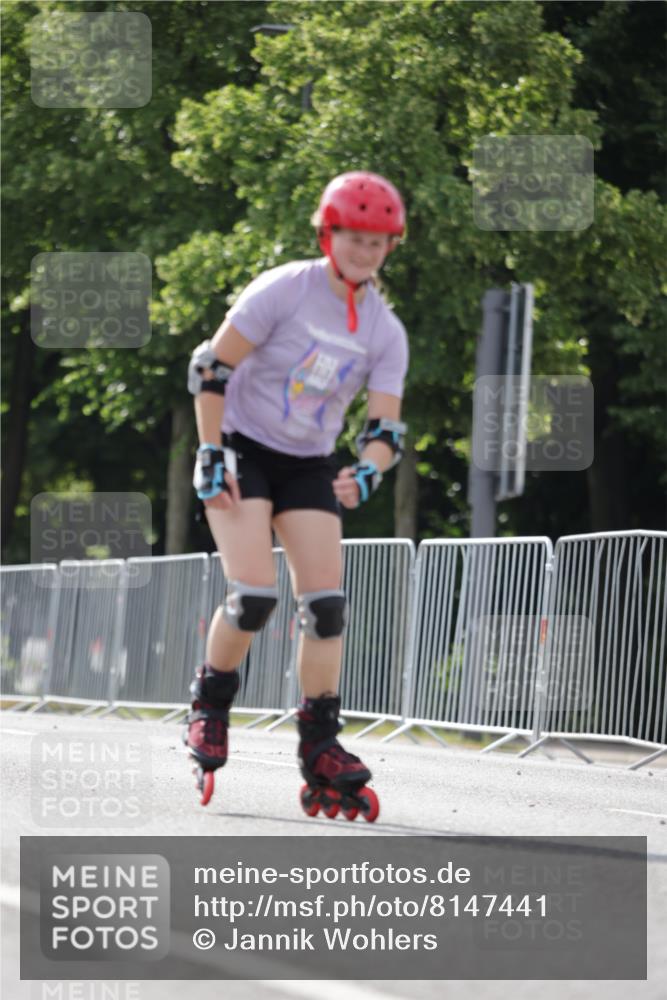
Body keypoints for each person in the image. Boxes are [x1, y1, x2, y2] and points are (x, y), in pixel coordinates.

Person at [184, 171, 409, 819]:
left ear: (390, 245)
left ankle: (320, 744)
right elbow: (210, 366)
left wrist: (368, 469)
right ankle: (209, 705)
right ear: (327, 234)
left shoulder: (384, 330)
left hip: (308, 463)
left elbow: (384, 429)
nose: (364, 252)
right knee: (254, 595)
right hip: (241, 451)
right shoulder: (285, 287)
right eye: (353, 238)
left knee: (327, 607)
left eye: (377, 242)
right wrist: (210, 449)